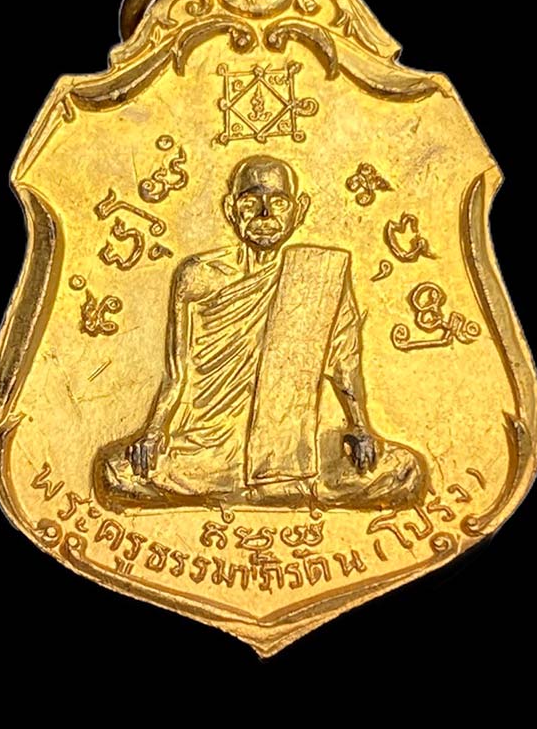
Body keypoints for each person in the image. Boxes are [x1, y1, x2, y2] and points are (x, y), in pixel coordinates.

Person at [95, 155, 427, 510]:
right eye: (251, 202)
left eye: (279, 202)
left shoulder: (320, 273)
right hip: (211, 446)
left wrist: (359, 428)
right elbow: (176, 373)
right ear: (230, 209)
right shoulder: (198, 276)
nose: (265, 214)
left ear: (299, 210)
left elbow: (343, 362)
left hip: (292, 445)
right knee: (114, 472)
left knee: (405, 471)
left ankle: (254, 486)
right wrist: (152, 432)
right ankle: (270, 488)